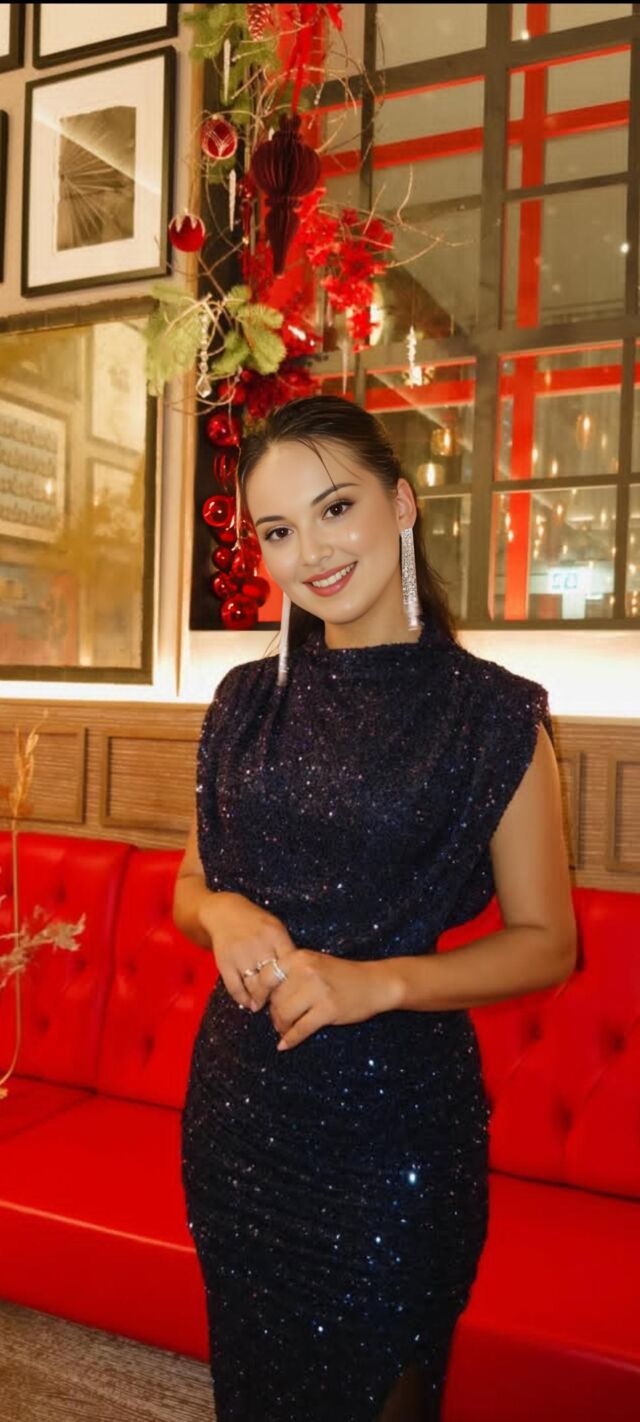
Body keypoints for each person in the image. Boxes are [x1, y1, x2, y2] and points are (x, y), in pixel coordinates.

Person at [175, 395, 576, 1422]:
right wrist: (222, 914)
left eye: (335, 508)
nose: (310, 552)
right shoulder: (242, 702)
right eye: (277, 531)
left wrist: (377, 984)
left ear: (399, 504)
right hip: (240, 1118)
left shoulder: (493, 715)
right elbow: (189, 886)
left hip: (394, 1132)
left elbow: (548, 944)